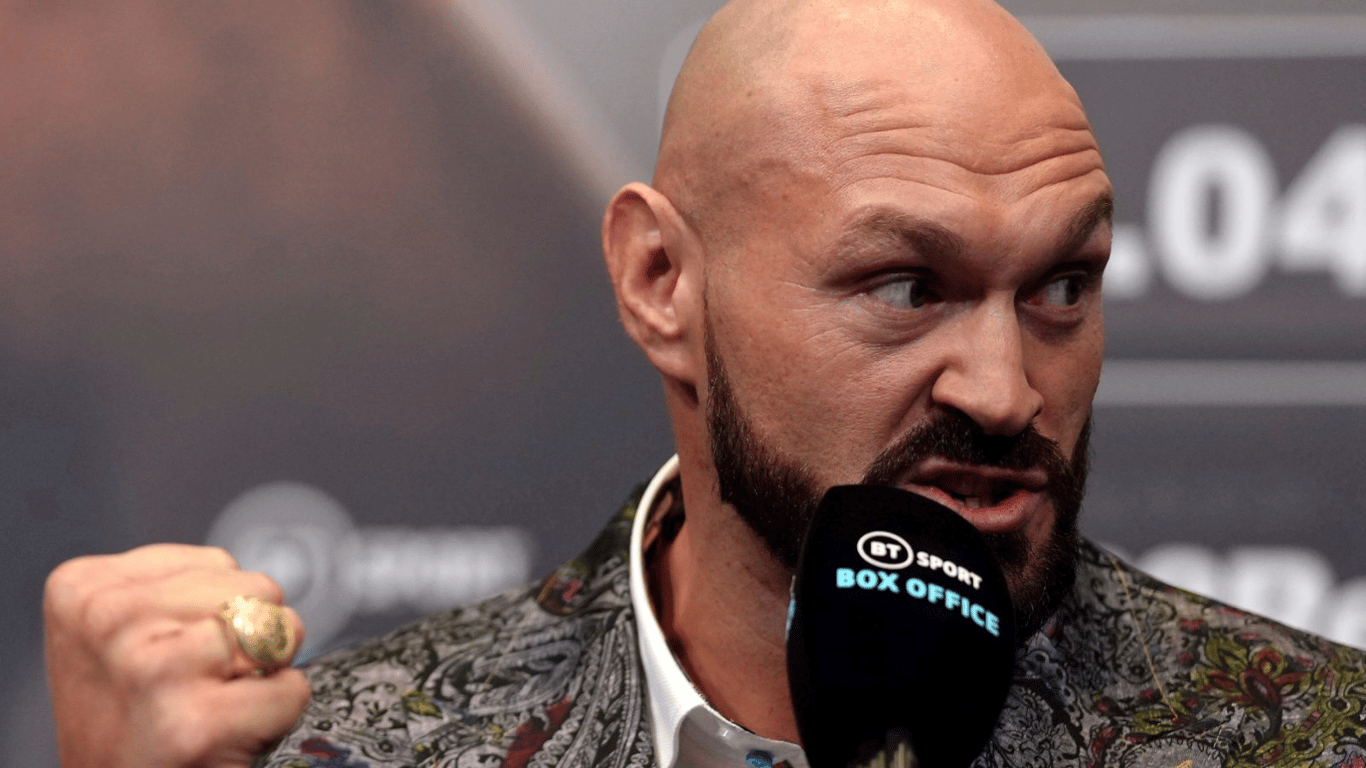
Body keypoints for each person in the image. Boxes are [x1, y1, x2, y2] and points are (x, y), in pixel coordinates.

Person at [42, 0, 1366, 767]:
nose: (1005, 389)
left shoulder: (1313, 738)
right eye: (907, 288)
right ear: (661, 283)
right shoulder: (355, 749)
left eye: (1060, 287)